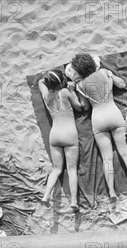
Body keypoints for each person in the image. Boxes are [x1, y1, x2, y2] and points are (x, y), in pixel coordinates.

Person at [68, 52, 127, 203]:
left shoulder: (80, 85)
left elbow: (85, 107)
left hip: (98, 118)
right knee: (125, 153)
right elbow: (122, 84)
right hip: (113, 113)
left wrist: (73, 90)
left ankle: (112, 192)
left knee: (107, 159)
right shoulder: (104, 73)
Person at [38, 69, 83, 212]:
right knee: (71, 169)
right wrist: (72, 90)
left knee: (56, 169)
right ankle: (74, 201)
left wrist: (50, 82)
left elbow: (40, 82)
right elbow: (79, 107)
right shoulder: (65, 93)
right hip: (69, 134)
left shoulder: (47, 96)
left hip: (55, 134)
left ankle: (46, 195)